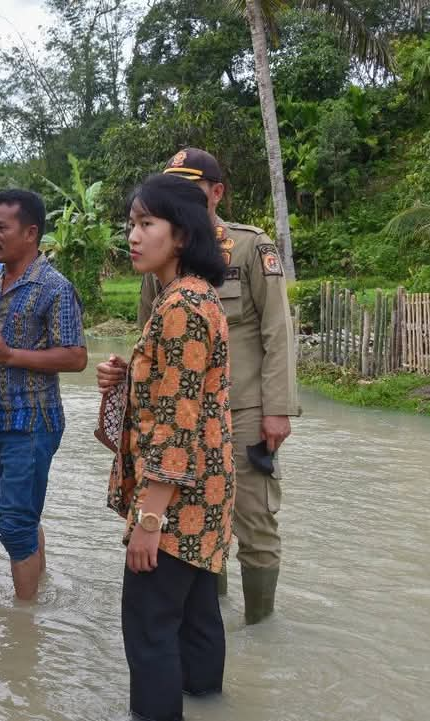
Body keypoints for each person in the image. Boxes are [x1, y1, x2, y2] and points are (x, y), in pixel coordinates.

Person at [135, 147, 298, 625]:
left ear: (218, 193)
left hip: (245, 410)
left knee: (255, 521)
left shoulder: (249, 247)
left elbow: (277, 330)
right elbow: (151, 338)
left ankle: (260, 629)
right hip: (186, 424)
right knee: (197, 526)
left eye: (194, 188)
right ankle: (210, 627)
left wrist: (278, 409)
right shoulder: (163, 254)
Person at [97, 173, 234, 721]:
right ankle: (207, 703)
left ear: (180, 235)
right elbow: (189, 392)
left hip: (174, 501)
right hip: (208, 494)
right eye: (132, 223)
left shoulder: (180, 307)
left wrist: (150, 519)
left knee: (149, 628)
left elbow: (178, 424)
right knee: (199, 615)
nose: (132, 235)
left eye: (146, 223)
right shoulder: (197, 298)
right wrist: (130, 376)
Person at [0, 189, 87, 601]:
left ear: (30, 233)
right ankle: (39, 591)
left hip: (33, 421)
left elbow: (76, 356)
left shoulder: (54, 288)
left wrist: (9, 355)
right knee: (23, 516)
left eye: (1, 227)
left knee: (13, 522)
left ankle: (24, 623)